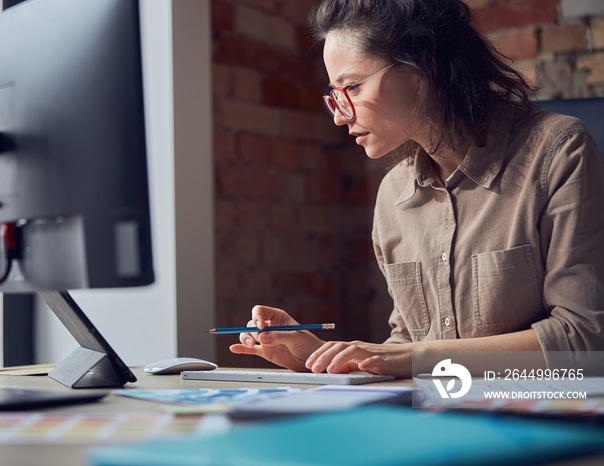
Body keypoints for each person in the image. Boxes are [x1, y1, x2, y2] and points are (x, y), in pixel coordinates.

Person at [229, 0, 604, 378]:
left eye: (353, 87)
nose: (340, 115)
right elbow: (407, 348)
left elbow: (583, 337)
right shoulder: (394, 194)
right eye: (335, 95)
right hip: (435, 419)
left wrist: (409, 356)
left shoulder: (557, 149)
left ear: (424, 67)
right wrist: (317, 357)